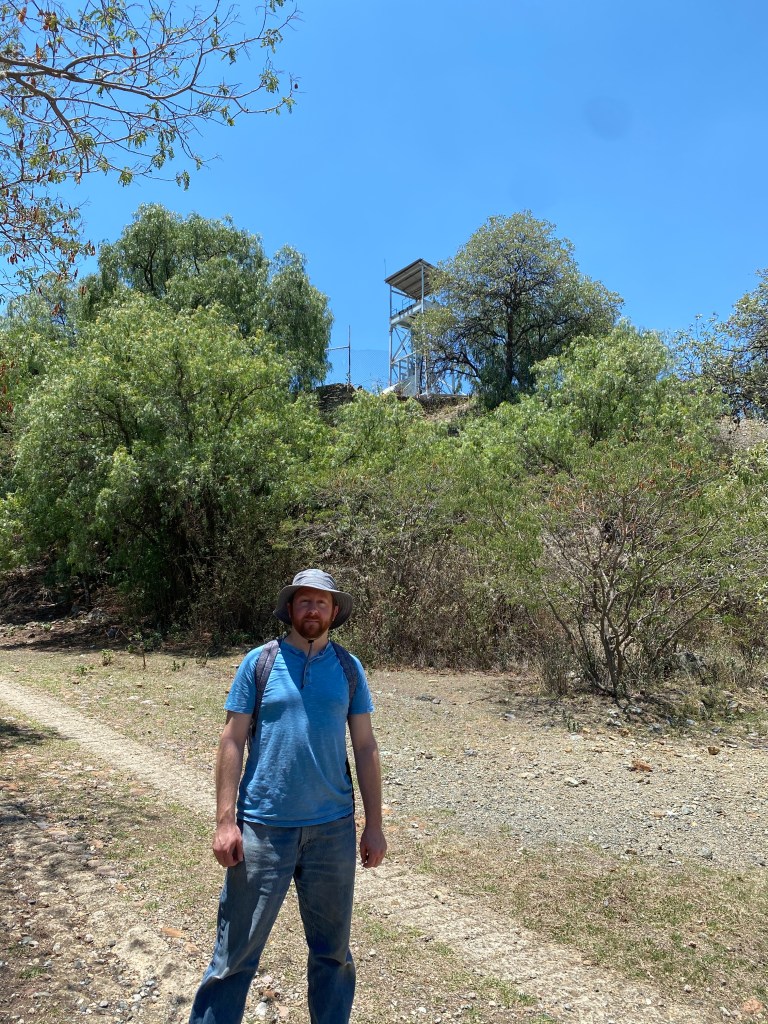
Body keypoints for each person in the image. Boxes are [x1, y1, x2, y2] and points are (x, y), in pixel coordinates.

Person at [189, 569, 387, 1024]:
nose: (313, 609)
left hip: (332, 831)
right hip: (263, 828)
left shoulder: (349, 668)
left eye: (322, 602)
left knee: (333, 955)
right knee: (233, 956)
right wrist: (225, 821)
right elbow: (232, 739)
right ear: (291, 609)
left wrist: (374, 825)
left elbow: (365, 746)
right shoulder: (259, 663)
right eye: (305, 601)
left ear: (334, 612)